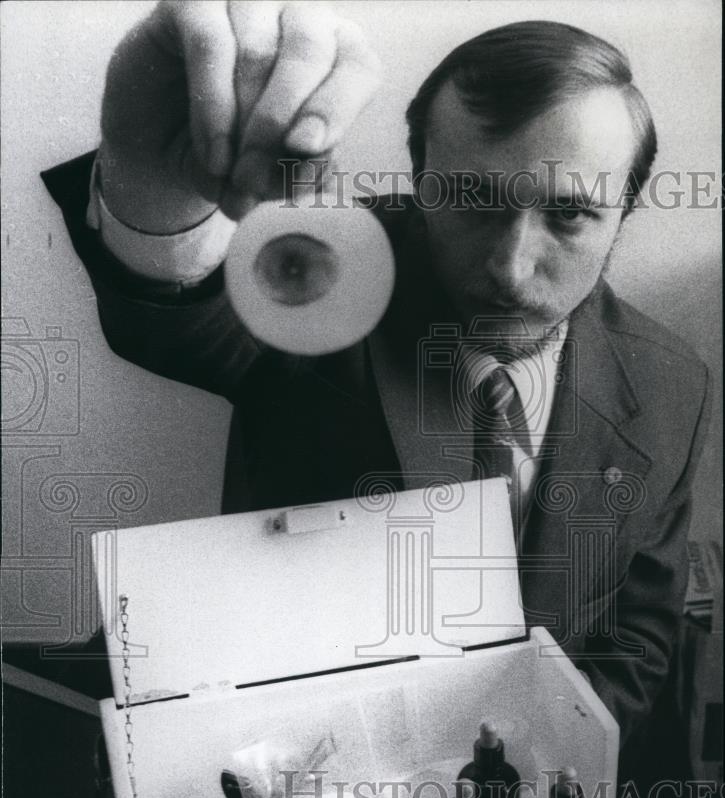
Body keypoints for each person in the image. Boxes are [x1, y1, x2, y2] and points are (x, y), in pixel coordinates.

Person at [42, 3, 710, 759]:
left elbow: (640, 627)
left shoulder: (671, 386)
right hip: (301, 784)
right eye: (471, 202)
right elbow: (173, 317)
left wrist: (546, 759)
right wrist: (157, 189)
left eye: (569, 215)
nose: (510, 268)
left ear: (624, 213)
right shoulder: (331, 270)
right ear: (420, 185)